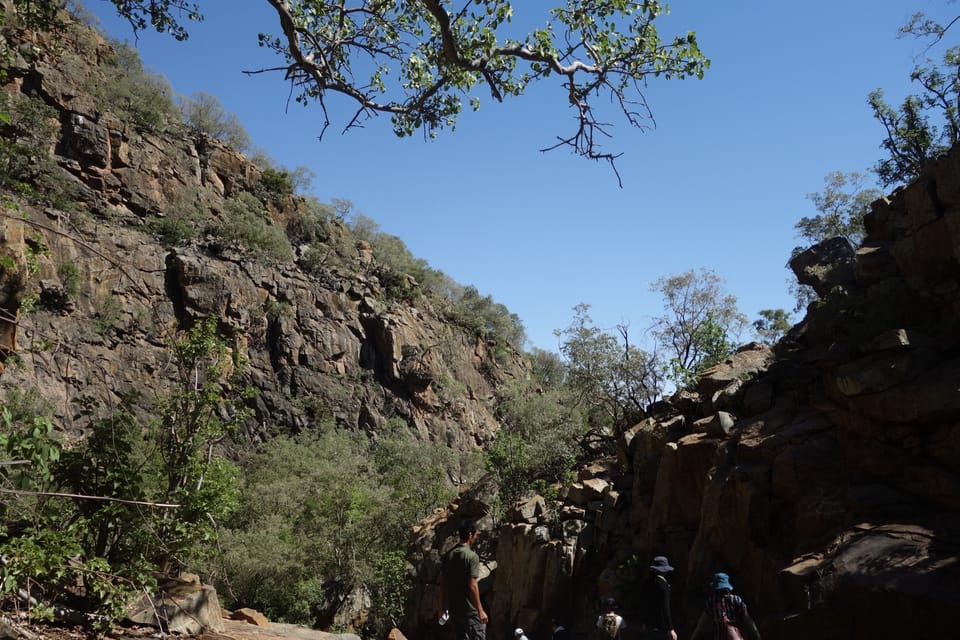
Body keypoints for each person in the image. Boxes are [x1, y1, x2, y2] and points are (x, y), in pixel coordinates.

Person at [438, 522, 488, 640]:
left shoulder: (448, 555)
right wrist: (480, 610)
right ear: (470, 535)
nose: (475, 538)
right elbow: (473, 585)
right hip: (470, 611)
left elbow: (443, 584)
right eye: (475, 535)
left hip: (454, 611)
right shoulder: (471, 556)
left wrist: (441, 608)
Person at [690, 573, 761, 640]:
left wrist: (693, 637)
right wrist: (756, 634)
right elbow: (747, 619)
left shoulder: (711, 602)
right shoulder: (736, 600)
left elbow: (701, 624)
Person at [637, 555, 677, 640]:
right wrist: (671, 629)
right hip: (661, 626)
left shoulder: (645, 583)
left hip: (648, 625)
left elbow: (642, 603)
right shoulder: (663, 586)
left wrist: (643, 621)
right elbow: (666, 608)